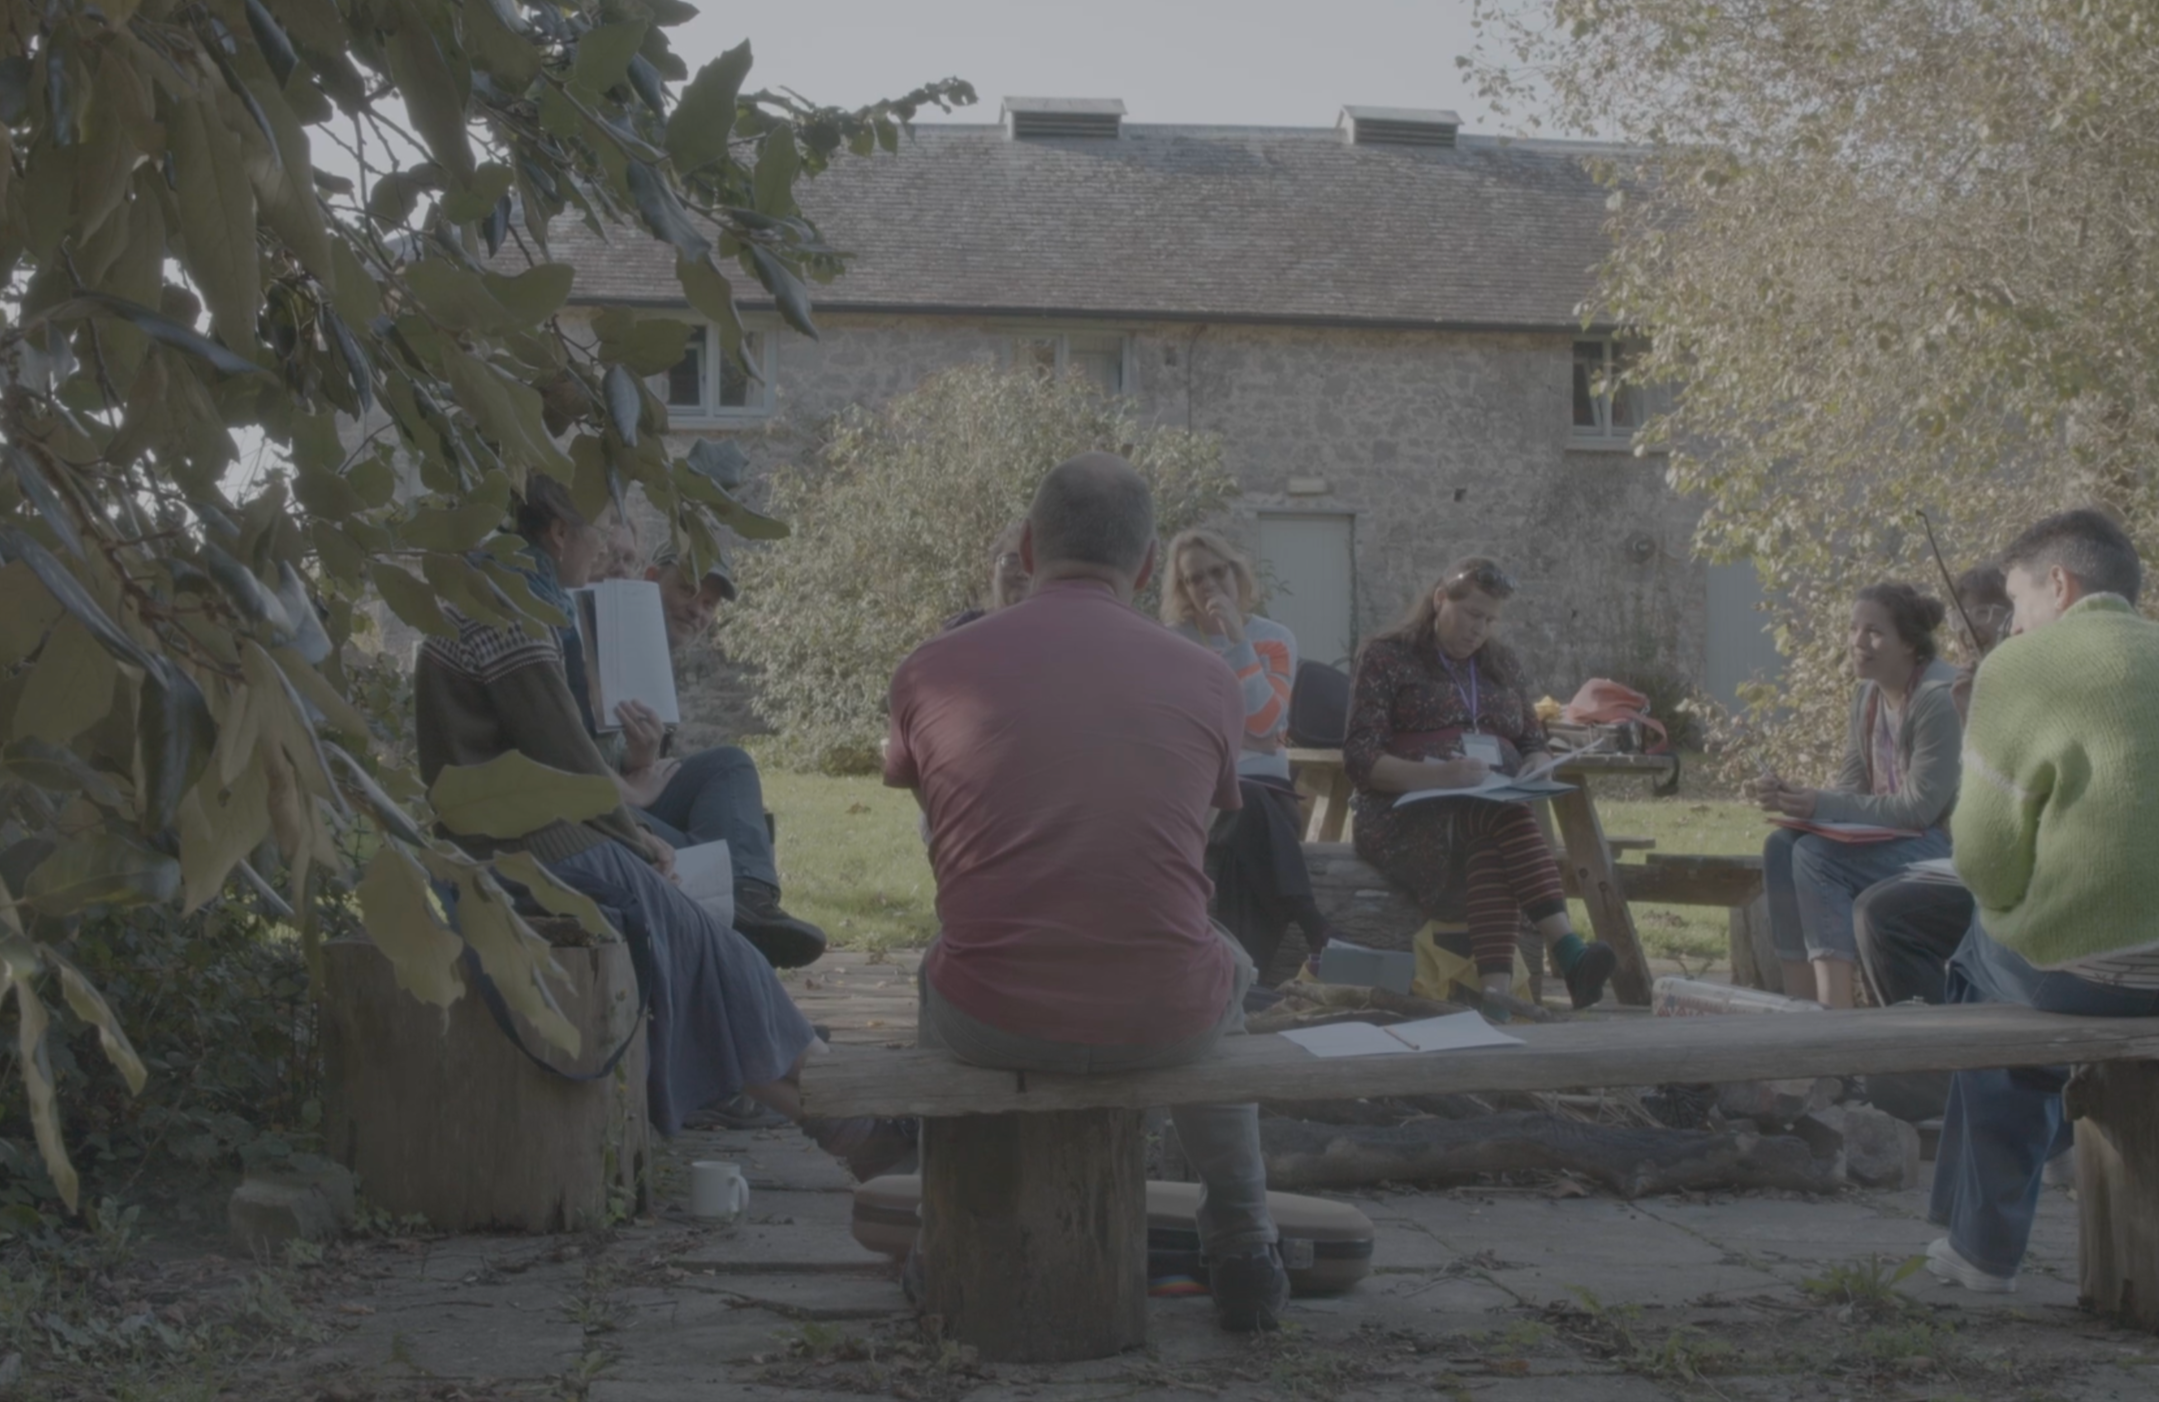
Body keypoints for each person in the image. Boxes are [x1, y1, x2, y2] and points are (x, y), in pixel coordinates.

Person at [885, 452, 1290, 1332]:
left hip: (991, 1013)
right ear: (1145, 567)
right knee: (1221, 964)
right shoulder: (1210, 678)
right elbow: (1199, 828)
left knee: (941, 959)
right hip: (1163, 1016)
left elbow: (935, 821)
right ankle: (1243, 1241)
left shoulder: (930, 668)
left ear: (1029, 549)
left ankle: (933, 1235)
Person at [413, 473, 910, 1178]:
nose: (607, 550)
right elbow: (560, 751)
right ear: (560, 532)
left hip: (524, 839)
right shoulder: (512, 605)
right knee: (711, 950)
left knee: (709, 951)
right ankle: (855, 1122)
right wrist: (634, 835)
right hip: (526, 850)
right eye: (603, 534)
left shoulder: (511, 590)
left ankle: (853, 1129)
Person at [1927, 508, 2159, 1293]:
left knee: (1977, 965)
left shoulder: (2020, 668)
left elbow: (1984, 862)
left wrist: (1976, 740)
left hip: (2090, 973)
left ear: (2058, 584)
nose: (2011, 623)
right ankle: (1987, 1203)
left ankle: (1981, 1243)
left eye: (2015, 600)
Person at [1343, 559, 1619, 1008]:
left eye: (1491, 620)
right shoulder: (1386, 656)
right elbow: (1359, 758)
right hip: (1404, 815)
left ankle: (1495, 996)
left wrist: (1538, 761)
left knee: (1494, 831)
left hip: (1488, 806)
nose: (1480, 630)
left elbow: (1531, 738)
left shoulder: (1500, 663)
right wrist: (1439, 777)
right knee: (1501, 818)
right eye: (1472, 614)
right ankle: (1568, 951)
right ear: (1439, 600)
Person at [583, 540, 827, 970]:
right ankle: (739, 910)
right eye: (688, 590)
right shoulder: (589, 633)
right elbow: (557, 753)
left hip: (627, 800)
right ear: (649, 579)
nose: (698, 609)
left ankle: (750, 899)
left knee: (730, 765)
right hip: (590, 817)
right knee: (721, 854)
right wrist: (629, 790)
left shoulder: (651, 659)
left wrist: (639, 759)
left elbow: (623, 759)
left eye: (710, 604)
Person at [1752, 583, 1961, 1008]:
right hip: (1895, 837)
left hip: (1945, 848)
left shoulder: (1937, 699)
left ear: (1909, 644)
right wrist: (1794, 798)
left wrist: (1821, 804)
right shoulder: (1867, 695)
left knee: (1816, 857)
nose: (1857, 642)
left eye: (1874, 632)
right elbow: (1852, 788)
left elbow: (1919, 809)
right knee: (1781, 846)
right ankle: (1799, 1007)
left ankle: (1835, 1012)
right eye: (1852, 629)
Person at [1161, 529, 1338, 974]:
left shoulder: (1274, 638)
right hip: (1201, 793)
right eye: (1194, 578)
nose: (1208, 585)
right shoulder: (1172, 643)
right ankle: (1311, 923)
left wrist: (1238, 642)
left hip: (1266, 792)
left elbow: (1264, 725)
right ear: (1182, 589)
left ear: (1236, 573)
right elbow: (1179, 734)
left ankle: (1243, 974)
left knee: (1247, 814)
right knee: (1241, 801)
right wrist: (1244, 734)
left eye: (1217, 571)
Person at [1852, 566, 2012, 1010]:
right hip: (1978, 860)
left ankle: (1935, 1042)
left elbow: (1991, 804)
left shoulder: (1947, 692)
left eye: (1986, 613)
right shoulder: (1967, 688)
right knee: (1802, 851)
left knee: (1881, 912)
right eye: (1962, 617)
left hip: (2017, 876)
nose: (1968, 629)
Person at [941, 522, 1030, 631]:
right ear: (992, 573)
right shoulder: (962, 629)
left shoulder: (1047, 629)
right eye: (1011, 561)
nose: (1024, 573)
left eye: (1033, 564)